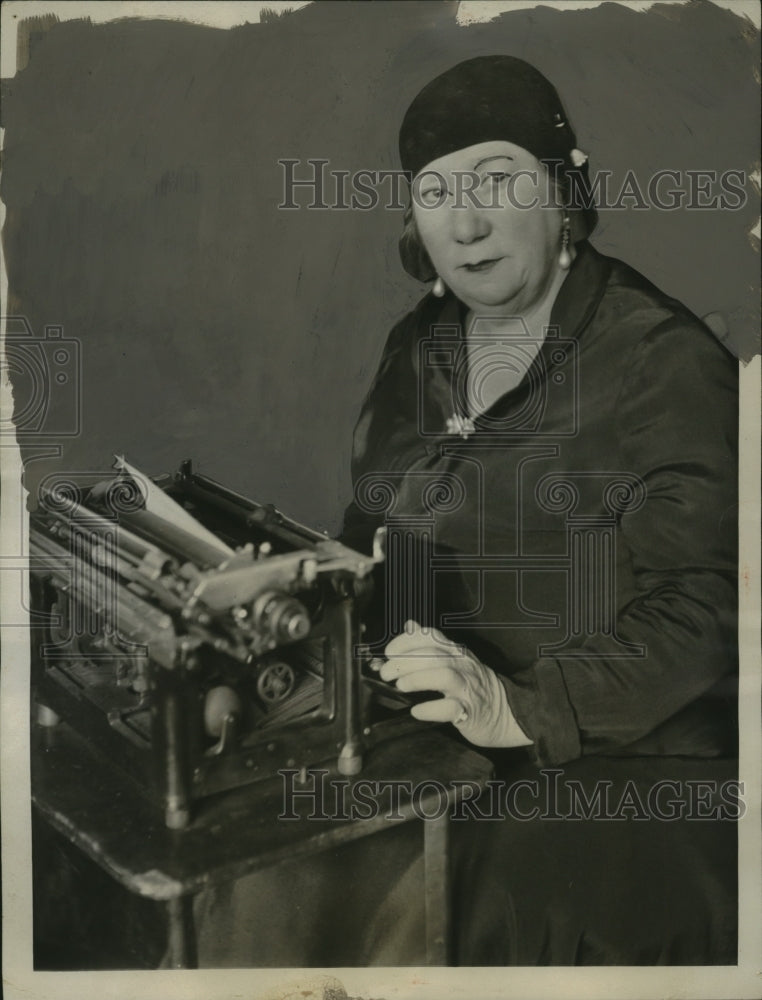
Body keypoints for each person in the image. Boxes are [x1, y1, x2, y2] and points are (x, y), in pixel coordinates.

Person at [341, 55, 739, 964]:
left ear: (563, 191)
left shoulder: (661, 359)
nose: (467, 221)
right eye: (437, 190)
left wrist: (522, 708)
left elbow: (711, 606)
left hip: (634, 768)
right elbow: (373, 525)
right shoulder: (422, 340)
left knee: (465, 908)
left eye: (495, 180)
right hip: (446, 738)